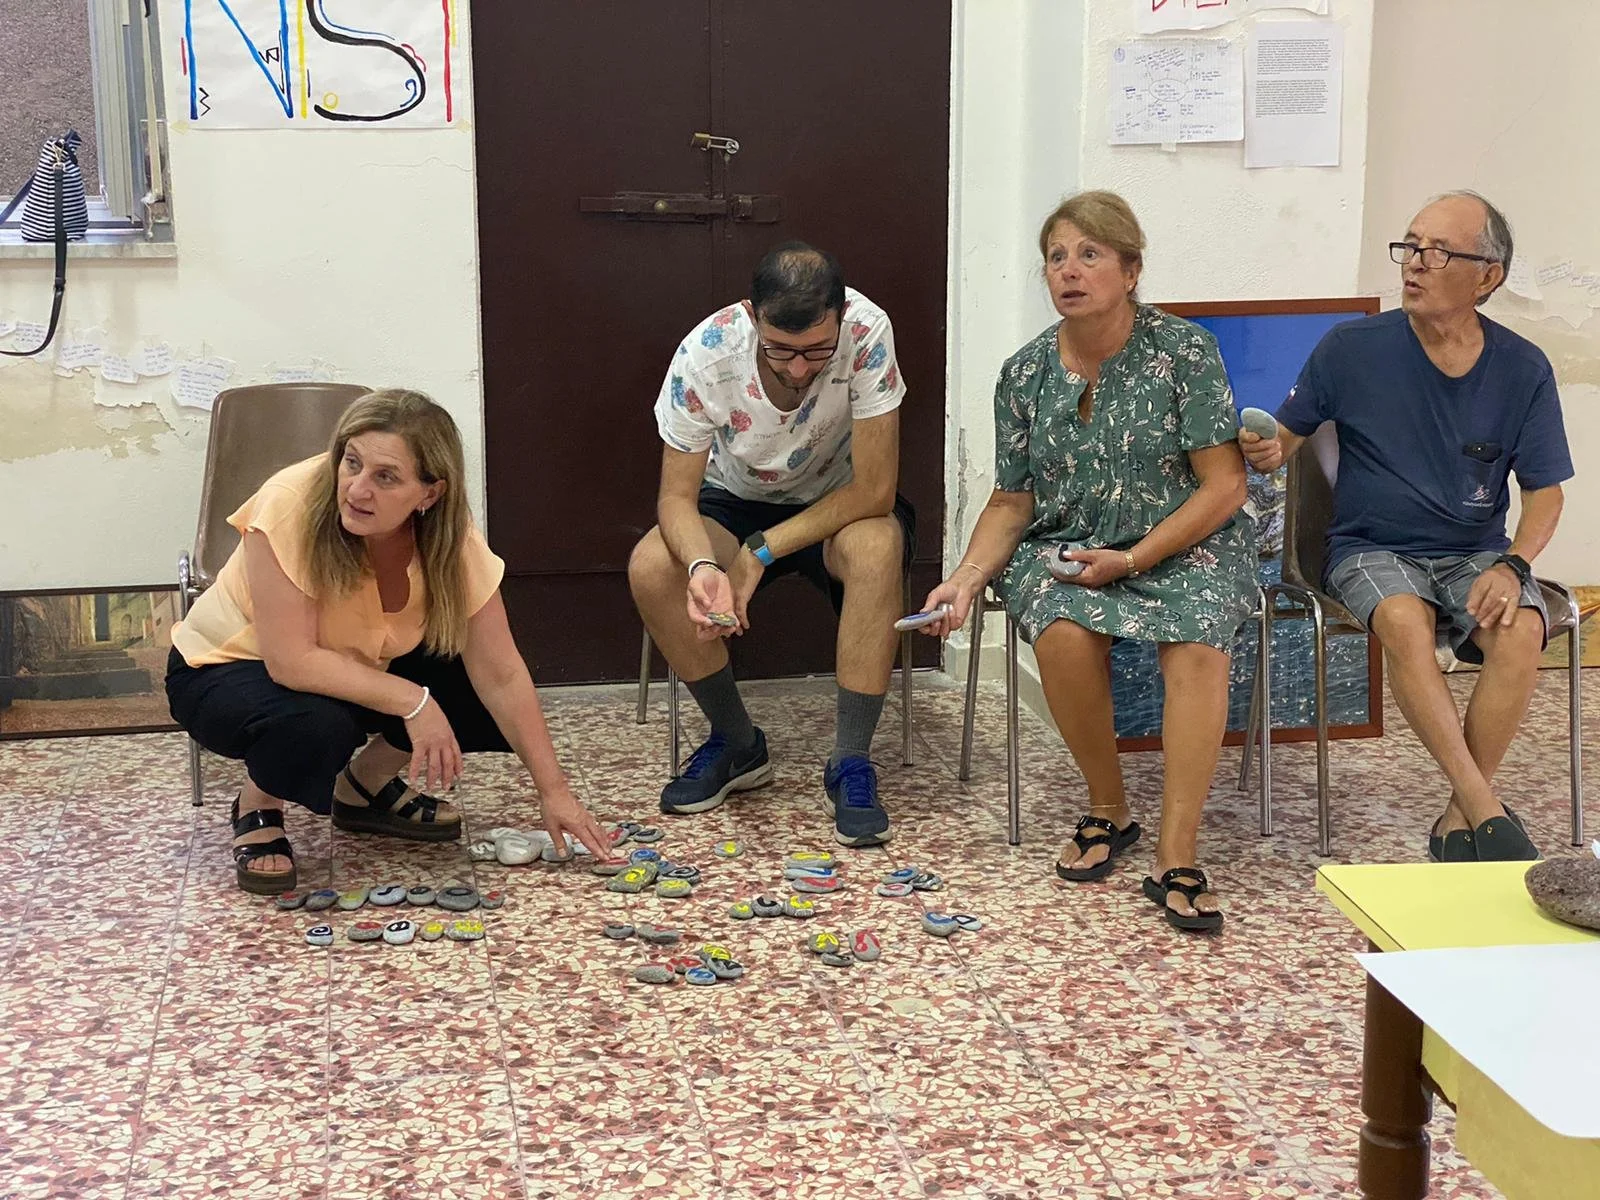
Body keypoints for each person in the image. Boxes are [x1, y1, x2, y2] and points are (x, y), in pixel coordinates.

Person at [917, 191, 1255, 933]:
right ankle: (1109, 806)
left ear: (1130, 271)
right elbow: (1013, 501)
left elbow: (1225, 485)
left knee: (1197, 643)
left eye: (1090, 255)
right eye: (1056, 257)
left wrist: (1133, 558)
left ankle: (1176, 849)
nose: (1069, 270)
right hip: (1070, 541)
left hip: (1185, 541)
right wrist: (965, 580)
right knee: (1063, 631)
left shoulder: (1184, 351)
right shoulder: (1024, 372)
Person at [166, 389, 616, 893]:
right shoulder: (290, 501)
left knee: (475, 684)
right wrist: (414, 701)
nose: (357, 490)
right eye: (351, 462)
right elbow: (291, 662)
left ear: (430, 495)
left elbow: (502, 672)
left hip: (355, 660)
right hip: (226, 668)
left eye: (386, 477)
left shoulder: (446, 534)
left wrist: (555, 792)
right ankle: (258, 802)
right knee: (317, 726)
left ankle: (363, 788)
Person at [1240, 191, 1571, 863]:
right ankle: (1485, 808)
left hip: (1474, 551)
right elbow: (1286, 438)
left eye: (1438, 252)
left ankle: (1459, 811)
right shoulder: (1351, 348)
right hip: (1369, 547)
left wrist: (1514, 566)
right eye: (1411, 246)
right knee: (1403, 619)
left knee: (1522, 630)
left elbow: (1545, 494)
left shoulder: (1523, 368)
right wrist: (1266, 448)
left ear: (1487, 276)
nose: (1414, 263)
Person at [628, 243, 914, 848]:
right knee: (653, 564)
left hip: (840, 499)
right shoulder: (706, 354)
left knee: (878, 548)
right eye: (780, 350)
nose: (800, 369)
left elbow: (875, 490)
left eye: (817, 350)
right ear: (751, 315)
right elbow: (675, 499)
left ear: (841, 315)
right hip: (732, 498)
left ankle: (851, 760)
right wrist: (704, 565)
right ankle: (737, 742)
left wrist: (759, 551)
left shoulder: (867, 331)